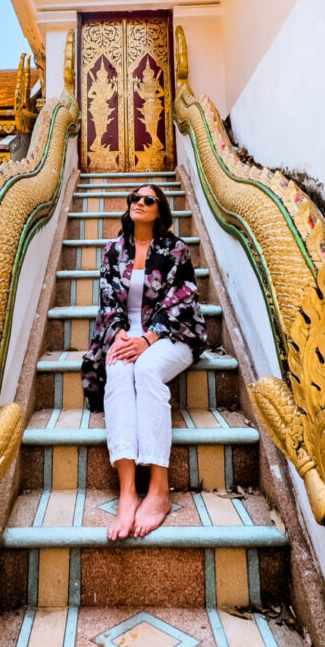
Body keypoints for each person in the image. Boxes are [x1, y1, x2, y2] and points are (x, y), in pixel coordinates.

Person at [81, 184, 208, 539]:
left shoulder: (176, 250)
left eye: (148, 199)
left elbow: (184, 301)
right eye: (135, 198)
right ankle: (126, 493)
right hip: (126, 335)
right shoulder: (112, 251)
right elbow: (107, 303)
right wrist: (119, 333)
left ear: (160, 210)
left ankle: (159, 488)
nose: (139, 203)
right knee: (119, 371)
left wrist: (148, 338)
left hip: (171, 335)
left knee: (148, 369)